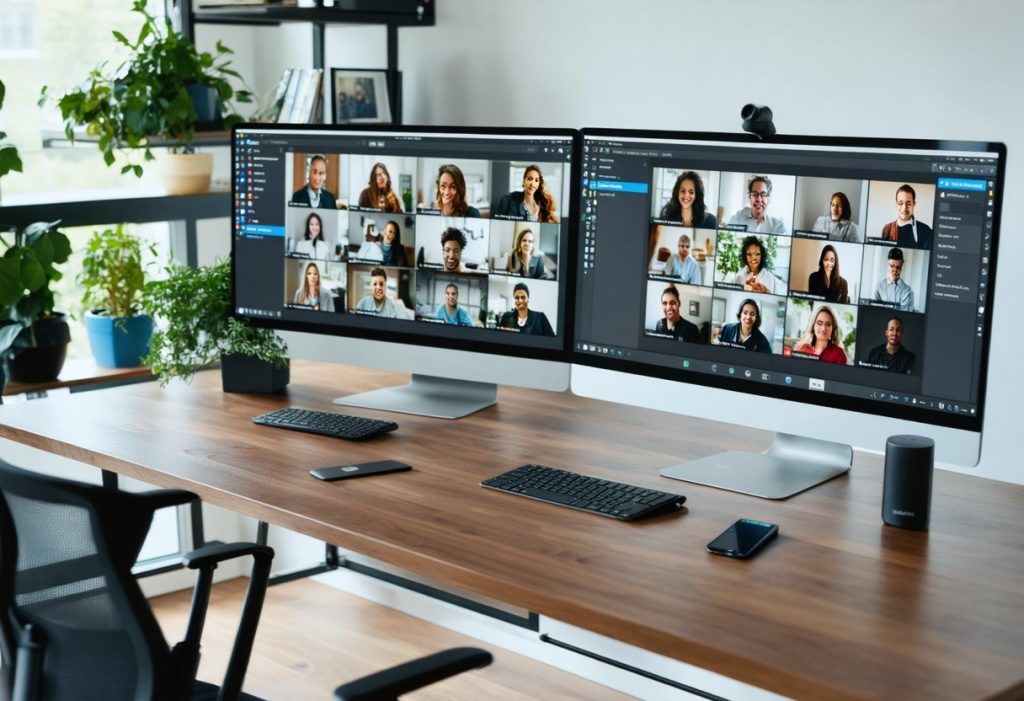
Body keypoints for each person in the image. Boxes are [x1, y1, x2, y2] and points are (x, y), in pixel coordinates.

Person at [493, 165, 559, 222]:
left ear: (539, 184)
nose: (532, 183)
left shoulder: (542, 205)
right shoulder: (508, 200)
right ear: (524, 181)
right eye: (530, 179)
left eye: (536, 180)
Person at [881, 184, 932, 249]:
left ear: (914, 204)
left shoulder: (926, 230)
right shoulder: (887, 229)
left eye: (909, 203)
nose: (904, 208)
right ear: (896, 205)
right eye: (900, 203)